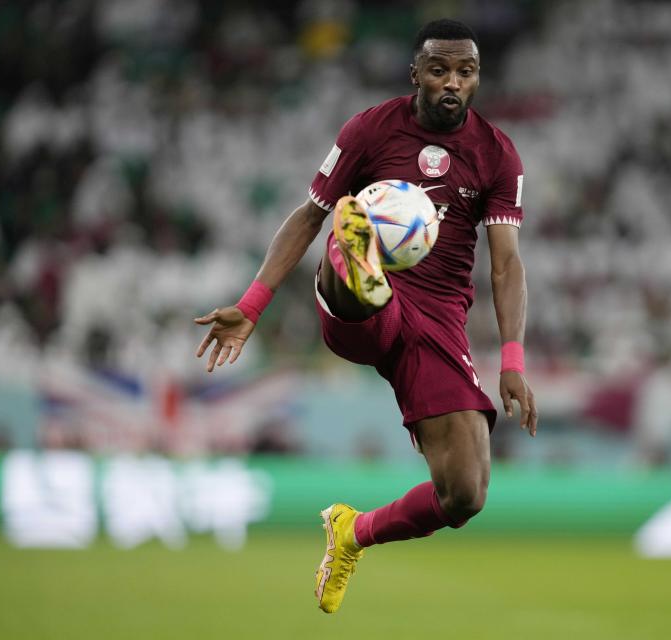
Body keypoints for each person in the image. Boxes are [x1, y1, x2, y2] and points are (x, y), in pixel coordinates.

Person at [193, 19, 538, 614]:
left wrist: (512, 358)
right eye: (439, 70)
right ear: (416, 74)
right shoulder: (370, 130)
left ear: (477, 77)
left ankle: (351, 532)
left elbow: (506, 265)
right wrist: (252, 306)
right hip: (360, 308)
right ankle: (358, 256)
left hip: (437, 322)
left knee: (466, 493)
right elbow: (307, 216)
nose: (452, 82)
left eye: (465, 71)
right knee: (349, 244)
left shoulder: (497, 154)